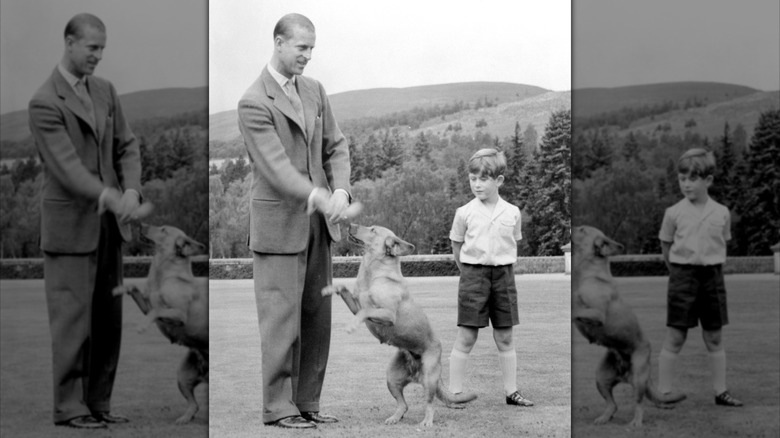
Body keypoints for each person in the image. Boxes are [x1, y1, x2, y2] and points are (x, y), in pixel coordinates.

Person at [28, 13, 148, 429]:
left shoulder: (105, 91)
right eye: (92, 48)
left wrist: (131, 191)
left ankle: (98, 404)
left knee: (108, 323)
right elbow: (67, 169)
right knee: (72, 325)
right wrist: (111, 196)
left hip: (108, 228)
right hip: (69, 230)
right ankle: (70, 408)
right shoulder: (44, 101)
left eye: (103, 48)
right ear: (70, 43)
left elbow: (127, 147)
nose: (99, 56)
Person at [237, 13, 352, 430]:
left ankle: (307, 402)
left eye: (312, 49)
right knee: (281, 324)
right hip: (278, 227)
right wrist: (318, 195)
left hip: (318, 227)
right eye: (302, 47)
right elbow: (276, 168)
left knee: (317, 320)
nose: (307, 56)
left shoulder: (315, 91)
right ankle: (278, 407)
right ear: (279, 42)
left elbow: (336, 148)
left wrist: (341, 191)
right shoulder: (253, 101)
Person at [448, 148, 534, 407]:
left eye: (483, 179)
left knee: (505, 336)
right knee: (467, 336)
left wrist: (498, 273)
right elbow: (457, 245)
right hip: (473, 276)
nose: (477, 184)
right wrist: (470, 273)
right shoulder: (464, 212)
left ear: (499, 180)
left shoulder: (512, 212)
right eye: (473, 178)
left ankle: (511, 392)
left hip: (504, 277)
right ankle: (454, 393)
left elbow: (512, 243)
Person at [657, 148, 743, 407]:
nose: (686, 184)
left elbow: (723, 243)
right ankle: (663, 393)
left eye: (692, 179)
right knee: (675, 336)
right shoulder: (673, 213)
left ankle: (720, 392)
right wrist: (679, 273)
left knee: (714, 337)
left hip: (713, 278)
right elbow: (666, 246)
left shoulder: (722, 213)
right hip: (682, 278)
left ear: (708, 180)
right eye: (682, 178)